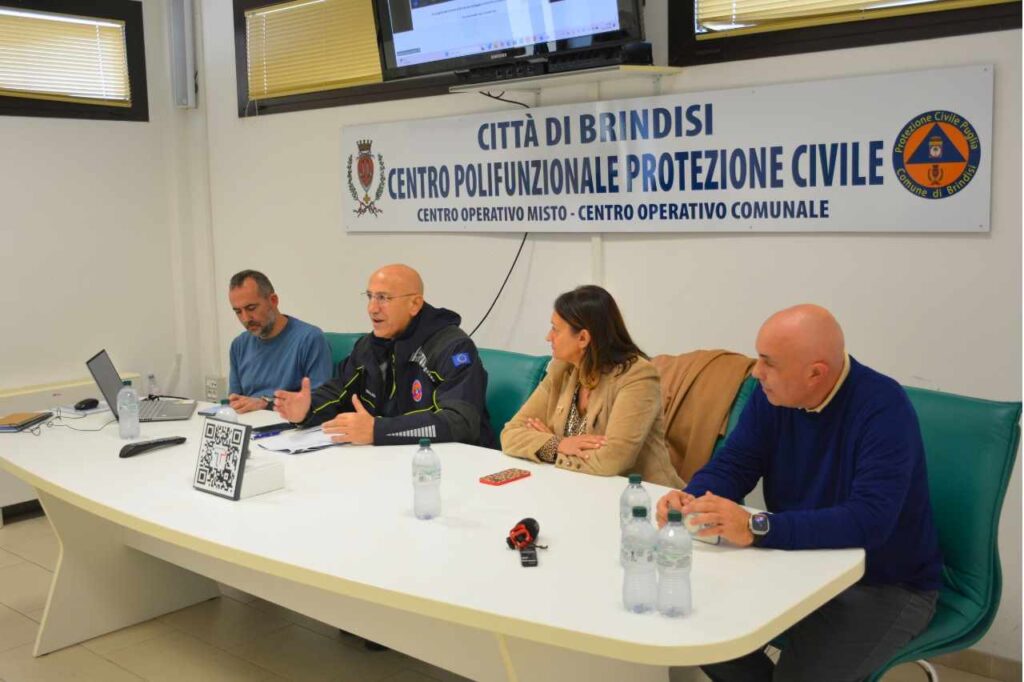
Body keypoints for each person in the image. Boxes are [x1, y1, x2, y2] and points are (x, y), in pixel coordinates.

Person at [656, 304, 941, 682]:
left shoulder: (883, 409)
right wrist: (692, 499)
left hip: (884, 583)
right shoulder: (771, 395)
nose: (756, 372)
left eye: (769, 363)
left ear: (815, 373)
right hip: (799, 565)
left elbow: (870, 521)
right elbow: (736, 463)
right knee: (693, 625)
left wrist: (757, 527)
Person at [274, 264, 495, 448]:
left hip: (454, 465)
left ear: (414, 304)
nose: (372, 308)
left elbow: (460, 422)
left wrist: (378, 430)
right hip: (390, 460)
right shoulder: (369, 346)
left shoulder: (452, 347)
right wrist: (307, 410)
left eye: (383, 298)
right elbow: (339, 390)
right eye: (370, 297)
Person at [501, 285, 682, 487]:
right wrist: (559, 443)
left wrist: (548, 447)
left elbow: (612, 460)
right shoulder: (562, 370)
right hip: (578, 488)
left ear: (583, 338)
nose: (548, 337)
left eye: (555, 329)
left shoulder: (637, 377)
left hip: (643, 496)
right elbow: (510, 434)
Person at [227, 270, 332, 414]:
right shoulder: (238, 345)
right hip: (249, 423)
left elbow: (321, 403)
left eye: (251, 308)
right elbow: (235, 400)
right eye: (238, 312)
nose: (245, 318)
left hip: (290, 423)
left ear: (273, 301)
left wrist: (266, 404)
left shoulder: (310, 339)